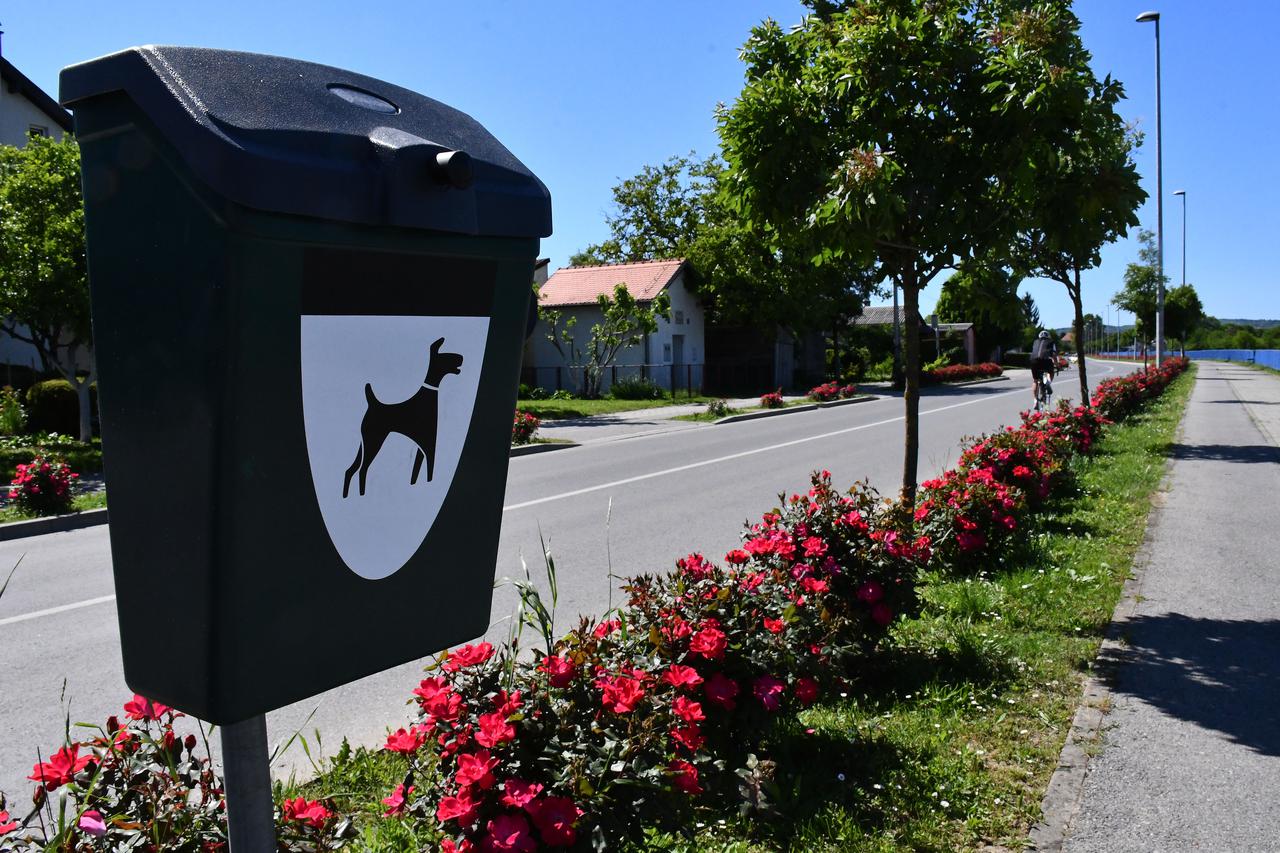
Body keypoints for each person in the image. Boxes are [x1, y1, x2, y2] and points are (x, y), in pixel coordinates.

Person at [1030, 330, 1057, 410]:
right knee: (1051, 372)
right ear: (1048, 336)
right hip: (1046, 360)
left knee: (1035, 380)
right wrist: (1057, 365)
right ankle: (1048, 382)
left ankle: (1035, 400)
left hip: (1034, 361)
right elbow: (1054, 354)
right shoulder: (1051, 342)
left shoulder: (1035, 342)